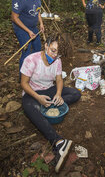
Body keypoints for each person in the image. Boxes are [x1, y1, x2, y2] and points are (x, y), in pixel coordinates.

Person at [20, 36, 81, 172]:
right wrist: (38, 97)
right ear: (46, 45)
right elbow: (23, 83)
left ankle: (53, 103)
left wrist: (58, 94)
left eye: (58, 53)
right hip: (33, 92)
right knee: (28, 107)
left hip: (49, 89)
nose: (54, 55)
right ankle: (59, 142)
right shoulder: (31, 60)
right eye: (52, 50)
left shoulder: (57, 61)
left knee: (76, 94)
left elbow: (59, 79)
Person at [11, 0, 44, 73]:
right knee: (26, 52)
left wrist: (41, 23)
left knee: (38, 49)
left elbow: (38, 10)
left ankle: (33, 70)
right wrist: (28, 31)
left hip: (33, 27)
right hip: (22, 28)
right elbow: (14, 17)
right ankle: (23, 77)